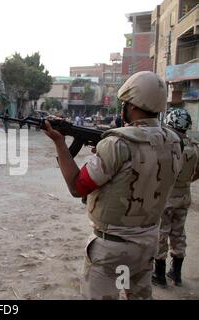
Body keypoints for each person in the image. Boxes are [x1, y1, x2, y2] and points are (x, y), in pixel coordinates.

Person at [44, 71, 182, 300]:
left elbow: (77, 187)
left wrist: (59, 143)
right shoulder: (174, 142)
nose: (122, 108)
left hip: (112, 250)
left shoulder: (117, 143)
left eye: (125, 103)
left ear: (134, 106)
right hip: (147, 243)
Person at [152, 108, 199, 288]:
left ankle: (159, 274)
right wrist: (186, 181)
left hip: (167, 194)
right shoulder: (194, 146)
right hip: (184, 193)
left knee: (161, 232)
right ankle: (176, 274)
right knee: (179, 232)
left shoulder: (168, 144)